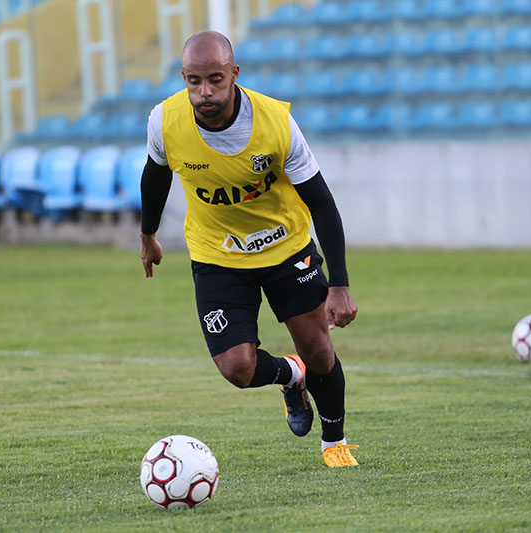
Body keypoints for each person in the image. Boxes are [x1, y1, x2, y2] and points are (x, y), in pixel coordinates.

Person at [139, 30, 359, 466]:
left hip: (286, 249)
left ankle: (334, 443)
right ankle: (291, 375)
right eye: (194, 81)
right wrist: (148, 235)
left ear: (234, 73)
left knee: (318, 350)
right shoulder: (164, 121)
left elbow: (321, 202)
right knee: (236, 368)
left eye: (215, 79)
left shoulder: (276, 122)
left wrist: (340, 284)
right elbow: (156, 173)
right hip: (217, 254)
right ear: (183, 78)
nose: (205, 92)